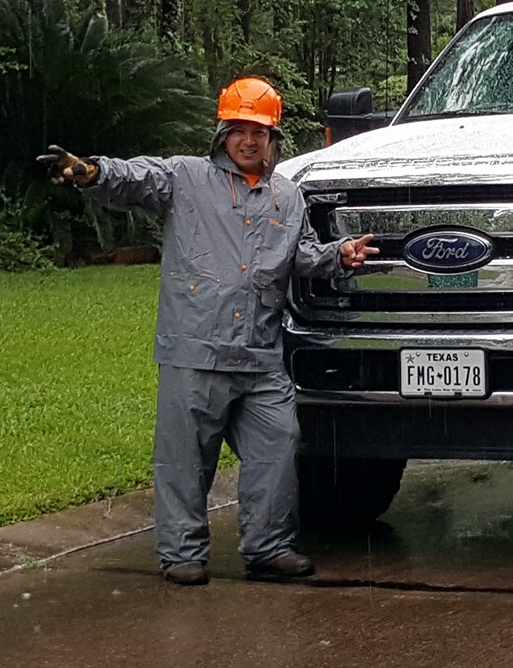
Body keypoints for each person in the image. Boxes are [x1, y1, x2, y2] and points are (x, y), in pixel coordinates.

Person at [38, 77, 377, 586]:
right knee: (184, 461)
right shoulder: (185, 178)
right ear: (221, 133)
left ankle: (268, 549)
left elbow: (301, 256)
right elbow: (134, 180)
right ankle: (181, 554)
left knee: (278, 447)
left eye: (258, 132)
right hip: (194, 350)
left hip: (261, 357)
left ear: (273, 137)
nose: (248, 140)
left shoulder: (288, 196)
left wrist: (336, 257)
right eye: (238, 130)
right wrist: (90, 173)